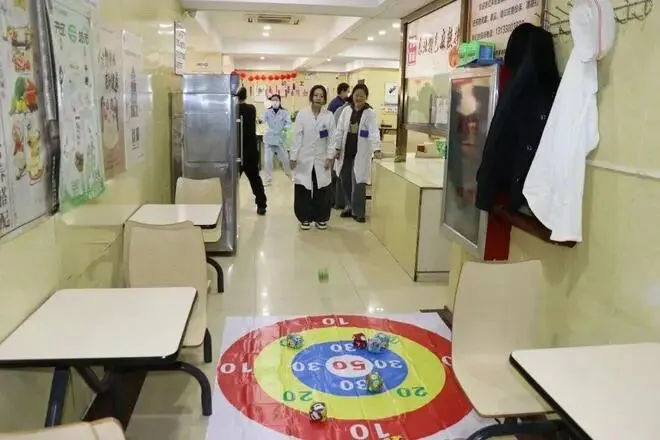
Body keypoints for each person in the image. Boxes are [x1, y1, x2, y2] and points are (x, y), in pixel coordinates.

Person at [331, 84, 381, 223]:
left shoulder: (369, 113)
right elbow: (339, 130)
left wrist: (376, 148)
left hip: (361, 153)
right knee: (345, 180)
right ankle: (349, 206)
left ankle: (358, 212)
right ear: (352, 96)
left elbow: (374, 132)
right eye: (356, 95)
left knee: (358, 182)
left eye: (362, 96)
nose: (358, 98)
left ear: (366, 97)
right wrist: (337, 147)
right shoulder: (346, 111)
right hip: (345, 152)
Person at [290, 85, 336, 230]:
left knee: (322, 187)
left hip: (322, 158)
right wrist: (293, 156)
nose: (318, 98)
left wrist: (329, 157)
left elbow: (332, 139)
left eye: (321, 96)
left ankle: (321, 217)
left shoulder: (329, 116)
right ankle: (304, 218)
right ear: (311, 97)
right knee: (303, 187)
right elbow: (297, 136)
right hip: (304, 156)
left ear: (324, 99)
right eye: (316, 95)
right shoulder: (302, 114)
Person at [237, 87, 267, 215]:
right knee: (255, 180)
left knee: (231, 182)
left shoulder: (232, 110)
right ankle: (261, 205)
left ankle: (226, 204)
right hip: (250, 151)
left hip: (236, 152)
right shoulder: (251, 109)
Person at [262, 94, 292, 185]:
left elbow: (288, 123)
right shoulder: (267, 112)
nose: (275, 102)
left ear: (279, 101)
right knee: (268, 161)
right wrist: (264, 125)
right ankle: (268, 179)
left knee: (285, 159)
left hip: (280, 139)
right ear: (271, 101)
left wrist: (285, 129)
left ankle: (289, 174)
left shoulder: (284, 112)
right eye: (273, 100)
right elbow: (262, 121)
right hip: (269, 139)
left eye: (276, 100)